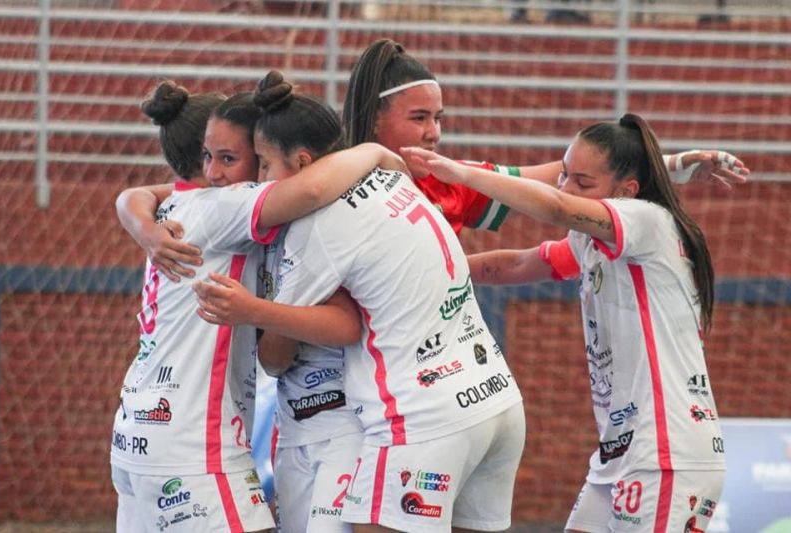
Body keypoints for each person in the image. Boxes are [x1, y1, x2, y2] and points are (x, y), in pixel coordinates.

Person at [193, 71, 526, 532]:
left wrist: (249, 311)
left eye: (264, 164)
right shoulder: (395, 178)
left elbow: (278, 354)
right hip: (496, 400)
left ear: (305, 160)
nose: (260, 178)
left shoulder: (317, 225)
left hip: (421, 415)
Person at [400, 112, 726, 532]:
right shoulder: (591, 242)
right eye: (564, 175)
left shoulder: (647, 222)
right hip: (621, 451)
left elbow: (555, 208)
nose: (567, 188)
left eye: (582, 184)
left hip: (667, 452)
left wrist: (459, 174)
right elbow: (519, 263)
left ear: (626, 191)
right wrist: (434, 269)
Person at [111, 80, 404, 533]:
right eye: (212, 157)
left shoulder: (179, 206)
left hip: (139, 431)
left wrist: (140, 225)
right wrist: (376, 153)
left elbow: (135, 195)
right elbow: (308, 189)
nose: (214, 172)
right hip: (192, 443)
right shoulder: (225, 206)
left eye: (228, 159)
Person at [342, 38, 748, 235]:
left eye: (439, 118)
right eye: (419, 118)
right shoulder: (331, 183)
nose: (434, 133)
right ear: (374, 120)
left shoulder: (449, 179)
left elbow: (562, 176)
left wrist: (671, 166)